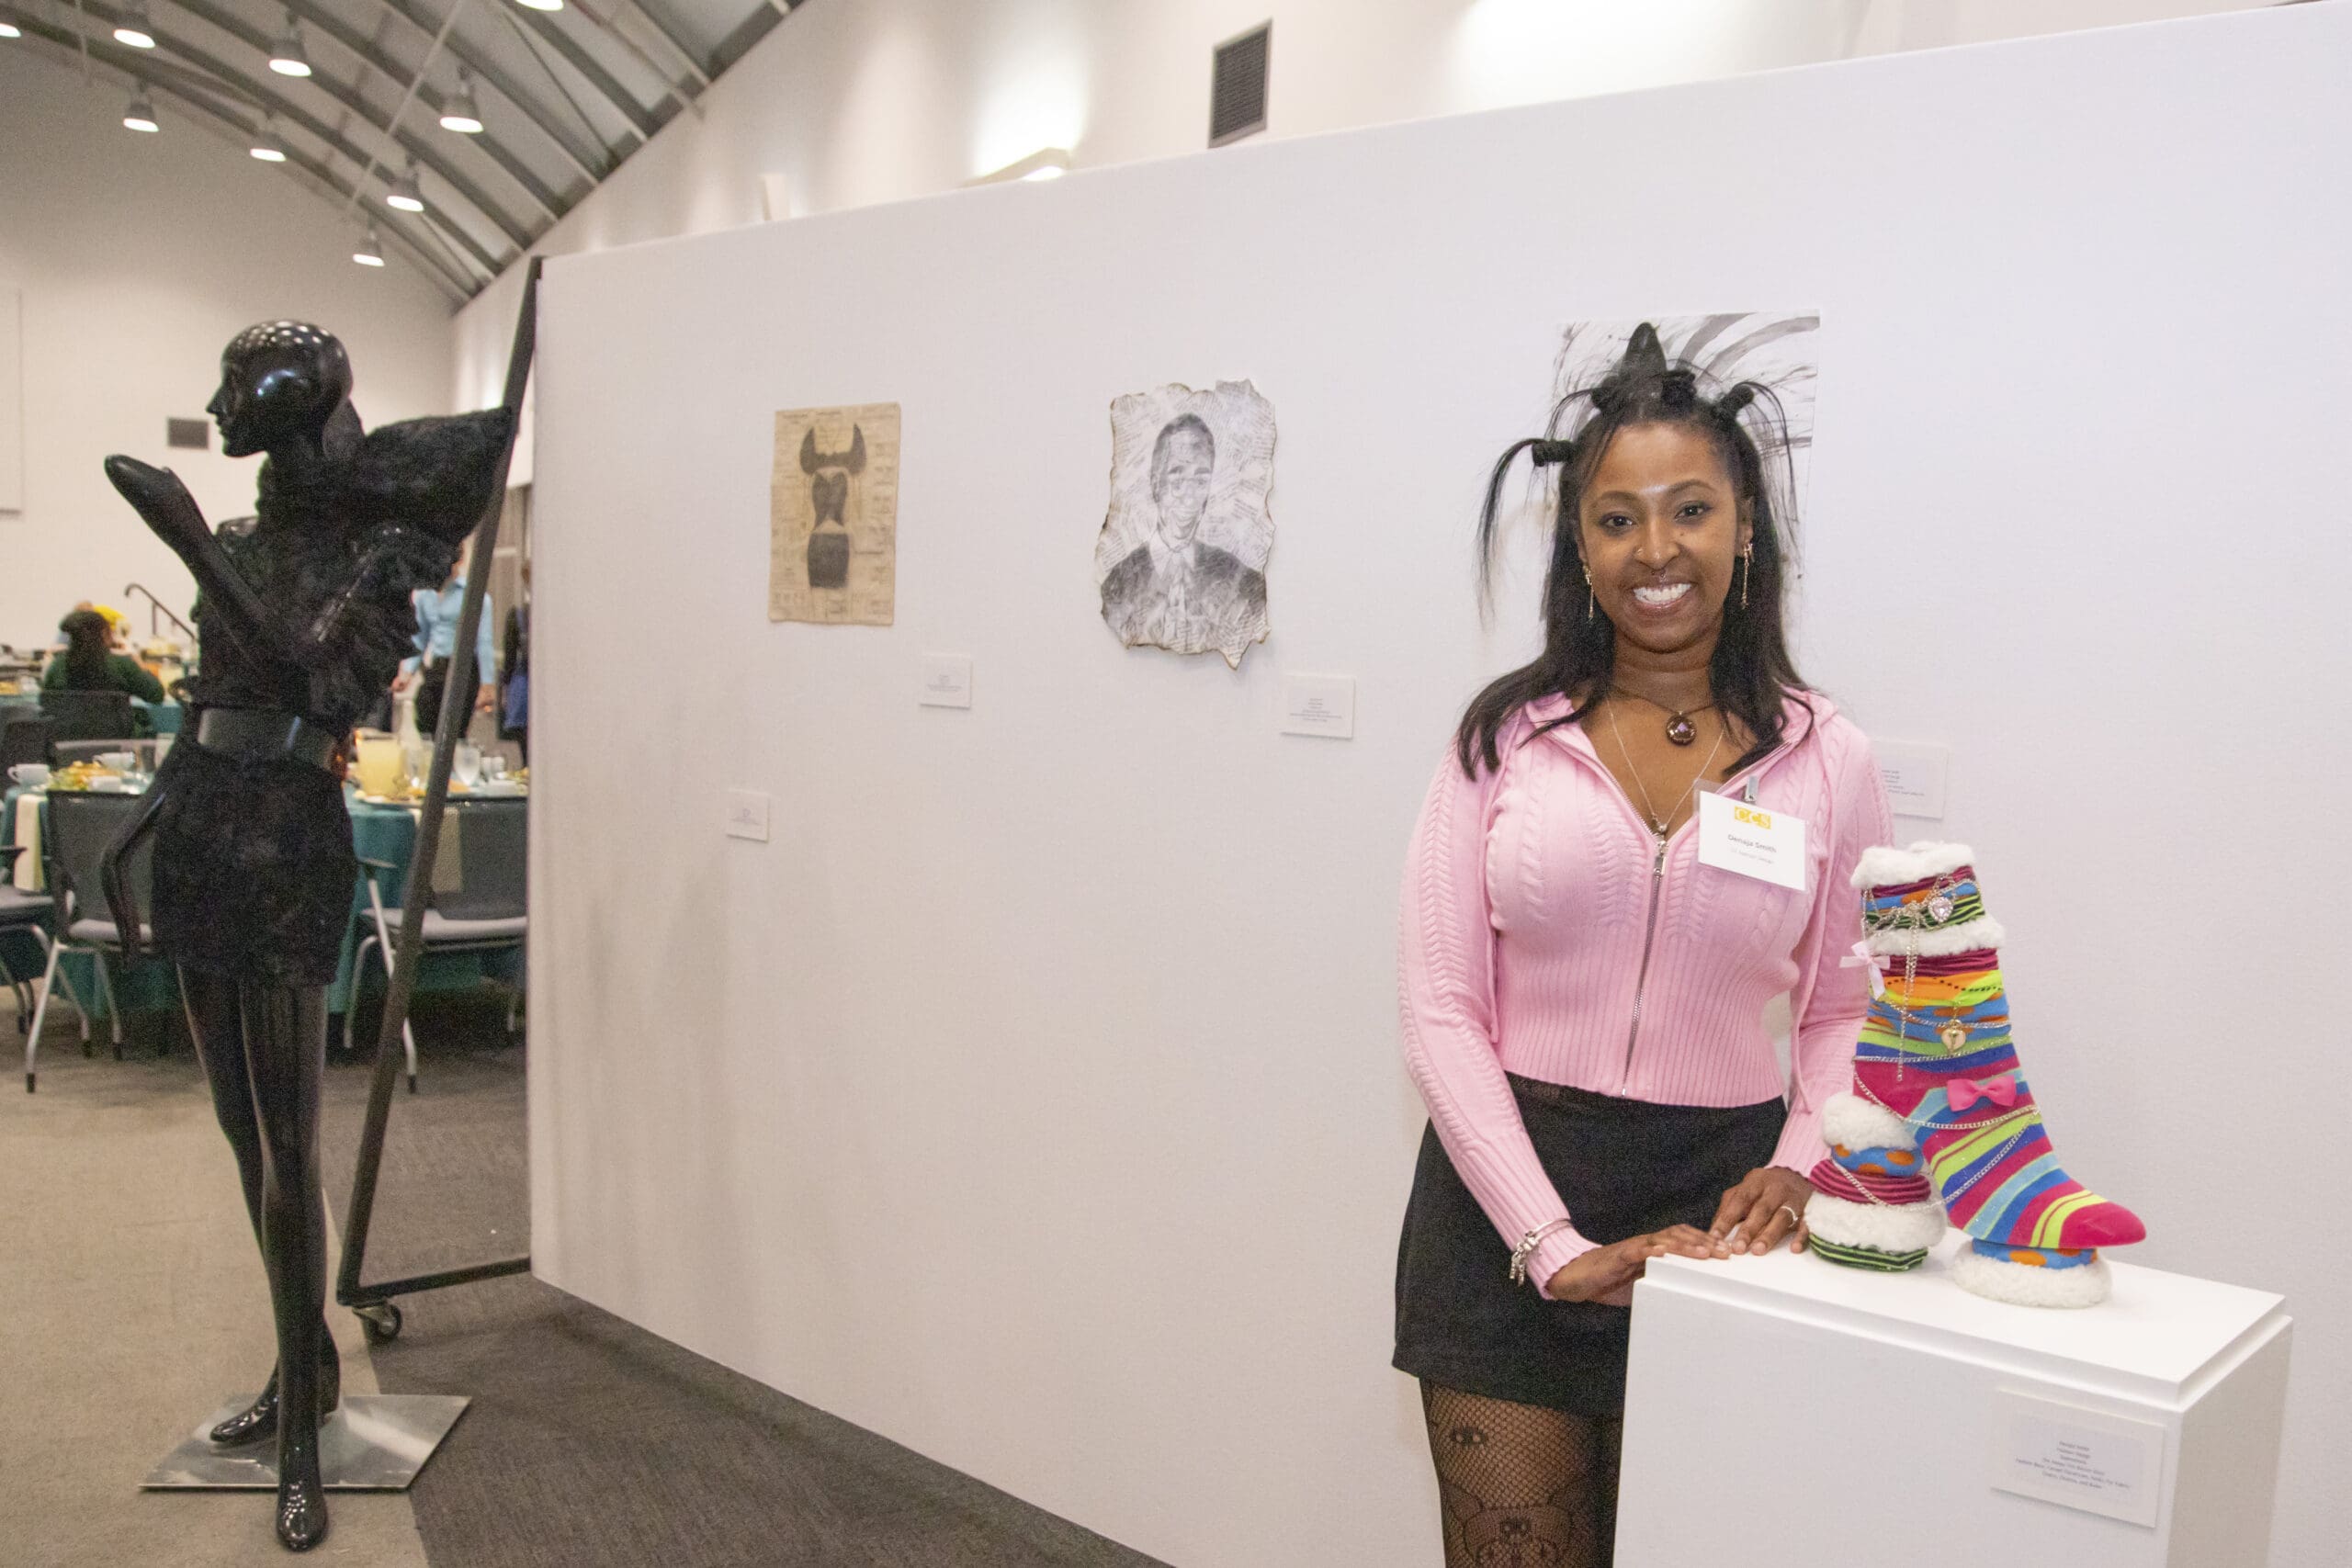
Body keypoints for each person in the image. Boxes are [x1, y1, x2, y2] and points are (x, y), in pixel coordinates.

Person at [1392, 324, 1891, 1567]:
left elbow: (1844, 1007)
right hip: (1507, 1200)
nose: (1655, 549)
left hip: (1722, 1209)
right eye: (1617, 519)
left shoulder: (1828, 757)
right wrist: (1549, 1243)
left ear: (1745, 528)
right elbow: (1441, 1006)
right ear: (1579, 543)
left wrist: (1802, 1163)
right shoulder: (1503, 740)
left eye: (1690, 510)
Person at [98, 320, 513, 1551]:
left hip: (287, 834)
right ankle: (304, 1369)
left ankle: (299, 1438)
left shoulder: (376, 550)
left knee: (290, 1145)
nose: (223, 403)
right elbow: (216, 695)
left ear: (300, 399)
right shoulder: (245, 539)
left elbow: (315, 684)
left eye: (244, 385)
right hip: (201, 826)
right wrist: (145, 816)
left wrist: (184, 536)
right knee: (243, 1139)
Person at [1098, 412, 1266, 651]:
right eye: (1177, 482)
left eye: (1200, 481)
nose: (1189, 498)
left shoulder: (1243, 584)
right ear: (1156, 485)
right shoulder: (1118, 587)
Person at [394, 556, 495, 738]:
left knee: (454, 728)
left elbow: (484, 641)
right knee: (425, 716)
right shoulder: (425, 595)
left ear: (460, 562)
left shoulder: (475, 596)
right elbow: (420, 637)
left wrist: (487, 683)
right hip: (437, 666)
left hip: (464, 669)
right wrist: (407, 672)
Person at [45, 607, 166, 702]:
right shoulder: (122, 664)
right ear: (104, 633)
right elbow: (156, 695)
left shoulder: (58, 665)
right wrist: (139, 663)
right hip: (117, 727)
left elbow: (46, 700)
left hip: (69, 727)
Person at [499, 558, 529, 762]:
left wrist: (505, 690)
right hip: (534, 685)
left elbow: (509, 657)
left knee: (525, 749)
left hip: (524, 685)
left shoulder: (518, 615)